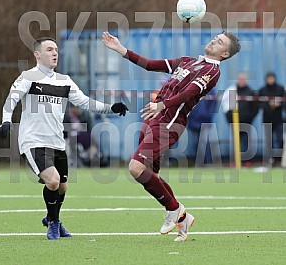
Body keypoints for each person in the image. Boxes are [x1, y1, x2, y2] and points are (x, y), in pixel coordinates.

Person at [102, 31, 241, 241]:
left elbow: (189, 93)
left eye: (220, 42)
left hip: (169, 122)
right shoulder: (188, 61)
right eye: (216, 37)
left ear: (225, 54)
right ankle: (182, 217)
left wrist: (162, 104)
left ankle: (174, 208)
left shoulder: (212, 71)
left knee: (135, 167)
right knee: (149, 173)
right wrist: (120, 49)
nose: (214, 40)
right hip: (153, 119)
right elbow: (150, 64)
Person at [0, 37, 128, 240]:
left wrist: (110, 107)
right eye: (49, 49)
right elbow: (12, 98)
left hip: (56, 142)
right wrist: (6, 120)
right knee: (53, 180)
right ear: (37, 54)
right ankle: (54, 223)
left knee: (62, 186)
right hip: (33, 141)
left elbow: (85, 101)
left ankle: (52, 217)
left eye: (56, 50)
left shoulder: (64, 81)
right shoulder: (28, 77)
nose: (54, 53)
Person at [221, 72, 258, 162]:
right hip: (235, 122)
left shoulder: (250, 91)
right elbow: (226, 105)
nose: (242, 81)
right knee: (236, 142)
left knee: (246, 142)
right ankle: (236, 161)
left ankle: (247, 161)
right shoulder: (232, 90)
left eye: (243, 80)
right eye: (240, 79)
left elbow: (255, 107)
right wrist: (230, 118)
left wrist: (250, 117)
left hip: (247, 122)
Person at [258, 72, 285, 166]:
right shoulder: (262, 90)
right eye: (269, 78)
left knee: (280, 139)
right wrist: (269, 106)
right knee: (269, 141)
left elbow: (284, 103)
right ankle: (271, 159)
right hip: (267, 119)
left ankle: (280, 159)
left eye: (272, 78)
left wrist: (278, 105)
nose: (270, 80)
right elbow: (259, 104)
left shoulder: (280, 89)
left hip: (278, 120)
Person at [187, 88, 218, 166]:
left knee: (205, 142)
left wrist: (208, 115)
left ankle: (208, 162)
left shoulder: (210, 89)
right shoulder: (192, 88)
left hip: (205, 120)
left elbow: (213, 104)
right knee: (195, 142)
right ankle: (200, 163)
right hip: (193, 120)